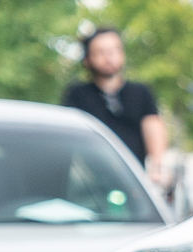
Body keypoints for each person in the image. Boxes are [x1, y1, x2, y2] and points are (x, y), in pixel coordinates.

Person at [60, 26, 170, 197]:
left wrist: (156, 170)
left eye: (114, 50)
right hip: (89, 186)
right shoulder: (77, 95)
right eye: (101, 52)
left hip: (134, 183)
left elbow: (153, 128)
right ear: (87, 59)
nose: (109, 57)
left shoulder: (141, 93)